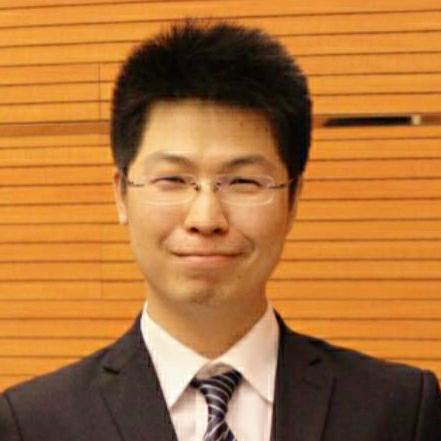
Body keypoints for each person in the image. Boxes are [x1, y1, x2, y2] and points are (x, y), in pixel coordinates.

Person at [0, 20, 440, 441]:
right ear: (121, 194)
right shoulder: (33, 423)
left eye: (243, 181)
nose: (206, 217)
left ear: (293, 199)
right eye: (173, 179)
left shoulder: (399, 410)